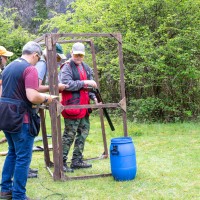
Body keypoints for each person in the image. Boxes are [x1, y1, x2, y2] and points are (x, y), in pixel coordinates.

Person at [0, 41, 53, 200]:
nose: (38, 62)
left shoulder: (9, 66)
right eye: (39, 58)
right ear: (36, 55)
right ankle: (18, 196)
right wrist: (47, 98)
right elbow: (32, 96)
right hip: (21, 119)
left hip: (6, 117)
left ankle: (5, 191)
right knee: (23, 157)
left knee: (13, 153)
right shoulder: (29, 69)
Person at [59, 42, 98, 172]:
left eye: (81, 55)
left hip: (84, 107)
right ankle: (61, 162)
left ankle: (77, 160)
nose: (78, 57)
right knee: (69, 135)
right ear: (71, 52)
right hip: (72, 106)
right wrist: (85, 82)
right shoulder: (66, 68)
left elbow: (91, 87)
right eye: (76, 55)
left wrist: (94, 97)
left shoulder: (86, 68)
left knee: (83, 134)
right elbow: (66, 84)